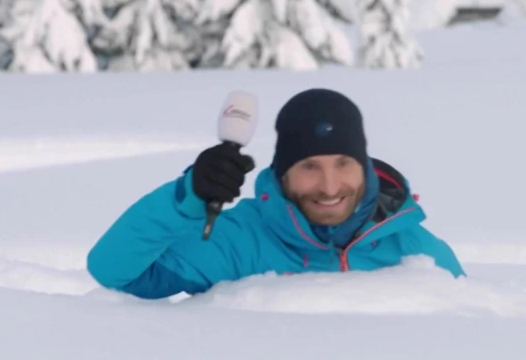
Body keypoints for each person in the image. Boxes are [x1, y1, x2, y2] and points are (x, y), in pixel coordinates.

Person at [87, 88, 465, 299]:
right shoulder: (240, 242)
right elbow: (114, 271)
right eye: (309, 167)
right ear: (282, 175)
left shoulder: (415, 249)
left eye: (343, 164)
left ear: (364, 167)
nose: (330, 187)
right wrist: (187, 197)